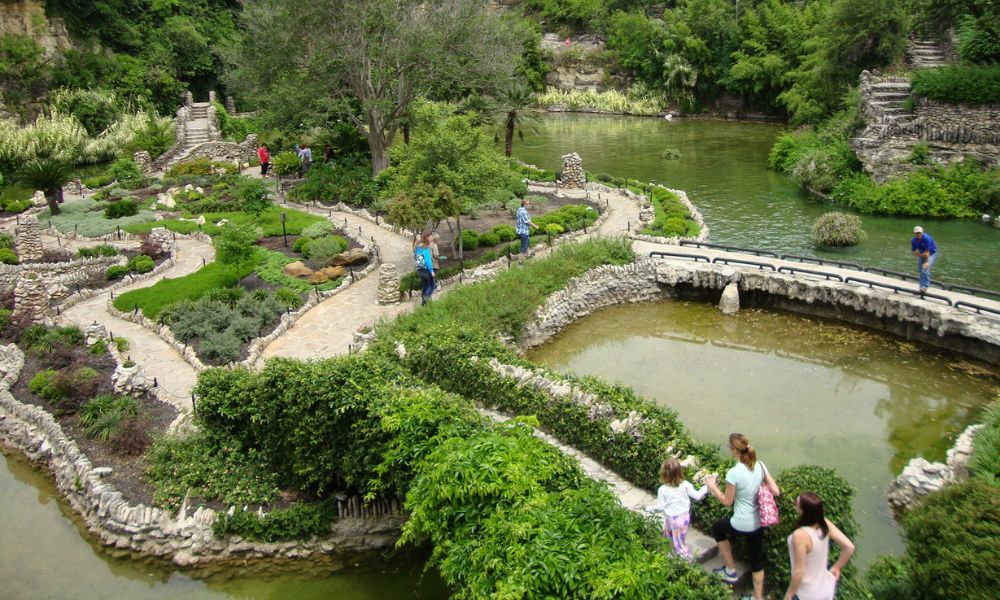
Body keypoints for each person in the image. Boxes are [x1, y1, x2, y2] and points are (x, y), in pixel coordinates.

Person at [705, 433, 780, 600]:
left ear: (733, 450)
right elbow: (776, 491)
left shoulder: (734, 473)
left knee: (717, 529)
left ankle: (730, 570)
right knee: (756, 560)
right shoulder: (760, 465)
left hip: (741, 523)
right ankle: (758, 598)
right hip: (759, 522)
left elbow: (727, 501)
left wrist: (712, 486)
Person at [784, 492, 855, 600]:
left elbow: (800, 571)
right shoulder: (824, 524)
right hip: (824, 589)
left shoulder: (800, 535)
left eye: (796, 504)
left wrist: (789, 595)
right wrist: (837, 567)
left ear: (803, 511)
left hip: (805, 594)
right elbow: (849, 547)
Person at [651, 458, 709, 561]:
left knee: (675, 541)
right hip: (684, 518)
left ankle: (684, 560)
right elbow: (697, 496)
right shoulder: (685, 484)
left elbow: (659, 508)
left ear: (664, 474)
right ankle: (675, 555)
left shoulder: (662, 490)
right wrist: (706, 487)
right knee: (678, 538)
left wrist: (649, 509)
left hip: (672, 520)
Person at [911, 226, 937, 293]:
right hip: (922, 253)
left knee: (925, 269)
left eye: (919, 233)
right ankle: (921, 288)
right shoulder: (914, 240)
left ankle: (925, 286)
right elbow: (913, 251)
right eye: (917, 233)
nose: (918, 234)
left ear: (922, 232)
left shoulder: (926, 238)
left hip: (931, 254)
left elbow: (927, 252)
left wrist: (926, 262)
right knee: (920, 270)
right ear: (914, 233)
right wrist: (919, 254)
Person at [415, 233, 435, 305]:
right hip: (426, 269)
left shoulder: (418, 247)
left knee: (425, 285)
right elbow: (427, 260)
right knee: (432, 285)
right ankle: (425, 300)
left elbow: (416, 257)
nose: (432, 238)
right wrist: (431, 270)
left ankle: (423, 301)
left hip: (419, 269)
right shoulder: (426, 248)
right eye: (430, 237)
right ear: (427, 238)